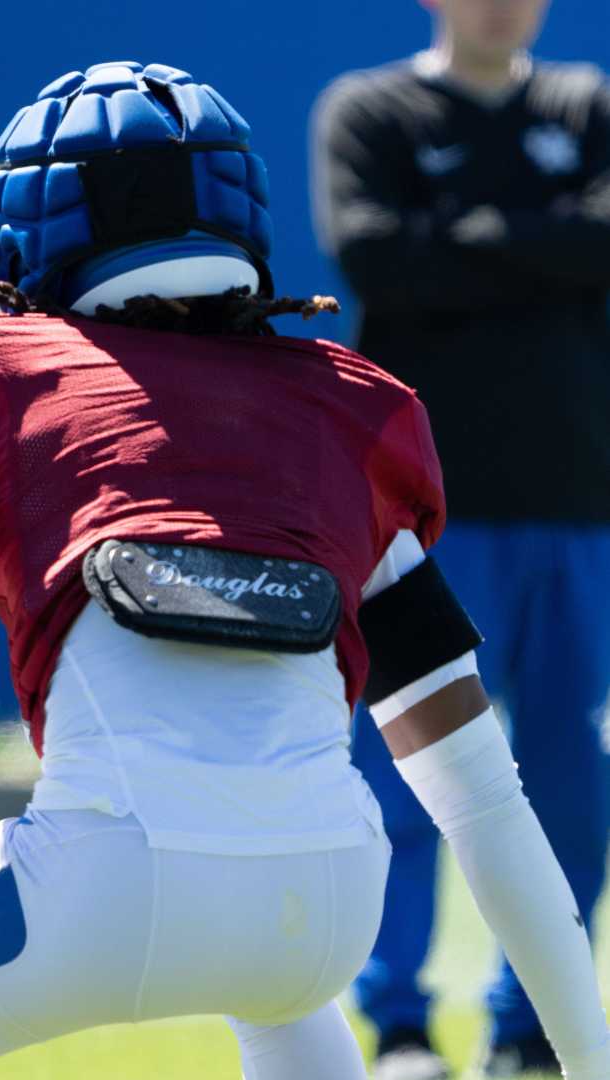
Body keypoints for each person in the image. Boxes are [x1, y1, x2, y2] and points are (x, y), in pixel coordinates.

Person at [0, 62, 610, 1080]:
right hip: (325, 910)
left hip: (96, 895)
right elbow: (482, 796)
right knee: (276, 994)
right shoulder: (345, 414)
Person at [311, 2, 610, 1075]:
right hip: (415, 515)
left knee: (571, 775)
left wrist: (460, 239)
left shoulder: (591, 103)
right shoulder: (372, 111)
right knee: (404, 769)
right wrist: (550, 242)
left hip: (576, 505)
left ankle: (531, 1025)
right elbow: (377, 260)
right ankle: (396, 1021)